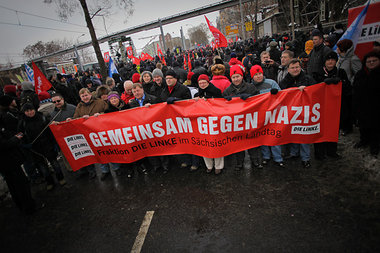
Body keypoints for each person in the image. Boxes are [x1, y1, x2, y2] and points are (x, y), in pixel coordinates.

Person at [18, 103, 66, 190]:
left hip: (47, 145)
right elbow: (20, 135)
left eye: (31, 110)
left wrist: (54, 143)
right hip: (35, 149)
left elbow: (50, 131)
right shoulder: (22, 123)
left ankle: (61, 178)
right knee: (43, 167)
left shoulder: (42, 117)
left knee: (55, 164)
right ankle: (49, 182)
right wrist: (24, 144)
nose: (30, 112)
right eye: (27, 111)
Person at [280, 59, 316, 168]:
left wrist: (307, 90)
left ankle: (306, 158)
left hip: (305, 111)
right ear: (288, 69)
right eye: (293, 68)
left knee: (303, 134)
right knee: (293, 132)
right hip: (291, 112)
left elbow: (315, 91)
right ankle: (294, 153)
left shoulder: (308, 79)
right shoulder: (284, 81)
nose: (295, 70)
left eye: (297, 67)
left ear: (300, 67)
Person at [314, 51, 349, 160]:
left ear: (336, 61)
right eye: (328, 60)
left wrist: (341, 82)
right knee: (320, 130)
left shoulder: (341, 72)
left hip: (335, 107)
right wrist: (324, 83)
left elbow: (348, 88)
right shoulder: (317, 73)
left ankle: (331, 151)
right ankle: (319, 153)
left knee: (333, 129)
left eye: (333, 60)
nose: (330, 62)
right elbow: (313, 89)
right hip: (320, 107)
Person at [223, 65, 258, 170]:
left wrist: (250, 98)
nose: (236, 79)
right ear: (231, 78)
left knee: (252, 141)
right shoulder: (227, 91)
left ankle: (255, 161)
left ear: (242, 76)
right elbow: (222, 106)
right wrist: (226, 100)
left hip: (249, 119)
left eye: (237, 76)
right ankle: (239, 163)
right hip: (236, 121)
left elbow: (258, 99)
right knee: (238, 143)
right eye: (233, 77)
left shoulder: (251, 87)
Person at [0, 109, 36, 214]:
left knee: (15, 185)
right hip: (8, 162)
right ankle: (28, 207)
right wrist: (16, 138)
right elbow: (4, 144)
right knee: (20, 185)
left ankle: (23, 205)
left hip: (8, 162)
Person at [250, 65, 285, 168]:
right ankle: (266, 157)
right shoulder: (251, 87)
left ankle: (278, 158)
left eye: (260, 73)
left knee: (274, 136)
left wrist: (276, 94)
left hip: (273, 114)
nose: (258, 76)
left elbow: (282, 96)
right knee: (263, 136)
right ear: (252, 76)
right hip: (260, 116)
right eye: (256, 75)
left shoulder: (271, 83)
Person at [71, 88, 108, 179]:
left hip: (102, 130)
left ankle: (116, 168)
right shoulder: (79, 107)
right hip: (90, 134)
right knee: (99, 152)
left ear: (90, 95)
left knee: (109, 150)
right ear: (80, 97)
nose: (85, 97)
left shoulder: (99, 102)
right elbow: (75, 119)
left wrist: (100, 114)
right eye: (83, 96)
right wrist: (76, 120)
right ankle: (104, 170)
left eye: (86, 95)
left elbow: (108, 113)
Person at [194, 74, 224, 174]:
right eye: (200, 83)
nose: (202, 84)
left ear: (208, 82)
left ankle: (218, 166)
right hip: (203, 122)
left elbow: (221, 105)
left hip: (215, 121)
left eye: (204, 82)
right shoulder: (197, 94)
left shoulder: (216, 91)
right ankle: (209, 165)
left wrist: (209, 101)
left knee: (216, 143)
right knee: (205, 144)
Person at [352, 50, 380, 156]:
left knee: (375, 127)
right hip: (362, 105)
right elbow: (355, 88)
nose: (371, 63)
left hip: (376, 106)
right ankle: (363, 141)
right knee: (363, 125)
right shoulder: (361, 74)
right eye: (369, 61)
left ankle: (375, 146)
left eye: (374, 61)